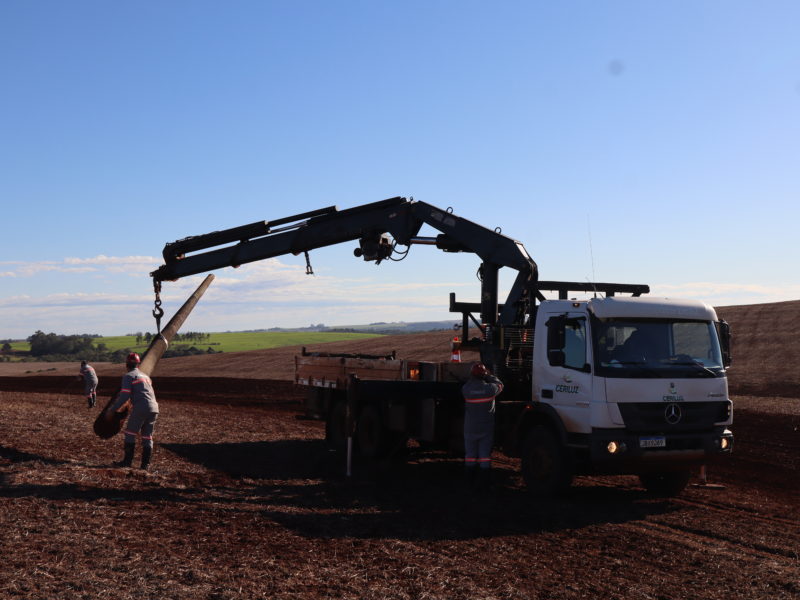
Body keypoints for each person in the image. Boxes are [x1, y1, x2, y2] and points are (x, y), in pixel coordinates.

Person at [105, 352, 159, 470]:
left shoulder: (128, 376)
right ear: (138, 364)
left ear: (126, 364)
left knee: (130, 433)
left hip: (141, 407)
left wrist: (112, 410)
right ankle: (145, 465)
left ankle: (127, 462)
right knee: (147, 436)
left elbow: (125, 396)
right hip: (154, 408)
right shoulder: (146, 377)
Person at [462, 362, 503, 491]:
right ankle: (484, 485)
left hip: (470, 428)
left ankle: (469, 484)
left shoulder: (466, 390)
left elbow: (468, 384)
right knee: (485, 456)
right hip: (486, 428)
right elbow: (500, 385)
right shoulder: (490, 389)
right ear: (483, 375)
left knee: (470, 455)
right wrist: (489, 376)